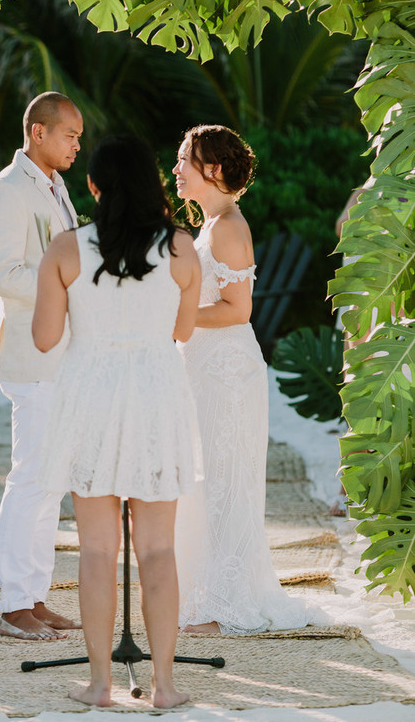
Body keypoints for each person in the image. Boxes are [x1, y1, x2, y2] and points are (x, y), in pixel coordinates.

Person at [32, 135, 202, 708]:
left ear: (93, 186)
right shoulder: (180, 248)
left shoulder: (65, 248)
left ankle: (100, 684)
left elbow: (45, 338)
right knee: (157, 550)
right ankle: (165, 686)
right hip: (156, 395)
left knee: (97, 552)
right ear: (153, 184)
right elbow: (182, 331)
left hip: (91, 398)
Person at [172, 124, 308, 635]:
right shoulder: (210, 224)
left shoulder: (228, 226)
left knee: (225, 481)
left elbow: (238, 309)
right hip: (205, 367)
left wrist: (173, 317)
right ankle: (207, 595)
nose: (176, 168)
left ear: (214, 169)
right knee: (207, 479)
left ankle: (227, 602)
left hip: (227, 373)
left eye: (184, 159)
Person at [0, 91, 83, 640]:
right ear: (38, 132)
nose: (77, 146)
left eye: (79, 137)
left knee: (51, 483)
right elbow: (0, 274)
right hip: (30, 355)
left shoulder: (56, 187)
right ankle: (13, 605)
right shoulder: (7, 190)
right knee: (30, 480)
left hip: (62, 356)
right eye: (70, 135)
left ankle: (36, 597)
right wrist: (65, 286)